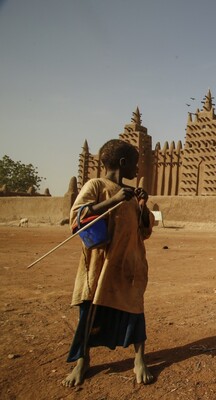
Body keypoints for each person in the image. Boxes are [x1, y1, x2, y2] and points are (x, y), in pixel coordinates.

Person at [62, 139, 154, 387]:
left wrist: (143, 207)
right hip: (99, 265)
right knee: (90, 313)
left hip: (129, 265)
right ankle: (83, 360)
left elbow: (144, 231)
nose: (138, 170)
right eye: (135, 164)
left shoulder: (132, 195)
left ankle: (139, 359)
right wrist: (113, 200)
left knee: (135, 311)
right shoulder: (96, 185)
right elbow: (76, 217)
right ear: (123, 163)